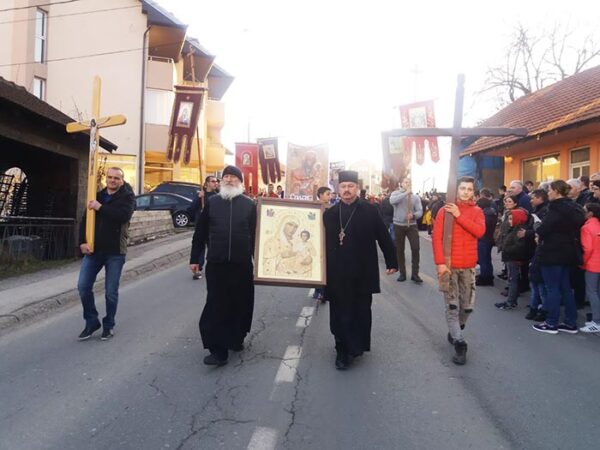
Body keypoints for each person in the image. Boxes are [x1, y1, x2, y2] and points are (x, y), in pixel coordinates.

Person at [323, 170, 397, 370]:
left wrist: (392, 261)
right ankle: (341, 349)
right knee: (339, 312)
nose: (347, 190)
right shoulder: (329, 214)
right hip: (337, 273)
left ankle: (356, 346)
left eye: (350, 186)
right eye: (343, 186)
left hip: (363, 271)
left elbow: (383, 235)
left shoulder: (370, 210)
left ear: (357, 188)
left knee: (361, 311)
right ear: (338, 189)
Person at [190, 165, 257, 365]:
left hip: (241, 264)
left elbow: (257, 236)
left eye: (233, 177)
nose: (229, 180)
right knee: (216, 305)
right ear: (221, 181)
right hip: (217, 263)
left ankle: (237, 337)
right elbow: (200, 233)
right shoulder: (212, 203)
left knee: (241, 303)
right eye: (226, 177)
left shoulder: (249, 205)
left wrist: (263, 263)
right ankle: (218, 350)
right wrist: (195, 259)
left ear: (240, 182)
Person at [77, 167, 135, 341]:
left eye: (116, 178)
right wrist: (82, 242)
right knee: (83, 286)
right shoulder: (97, 196)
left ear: (121, 180)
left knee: (110, 292)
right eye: (110, 177)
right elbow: (85, 220)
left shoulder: (127, 198)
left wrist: (100, 207)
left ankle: (108, 325)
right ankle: (91, 321)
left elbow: (122, 216)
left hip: (115, 252)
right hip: (94, 251)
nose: (112, 180)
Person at [432, 176, 485, 365]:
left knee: (467, 307)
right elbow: (437, 238)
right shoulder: (444, 211)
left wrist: (459, 215)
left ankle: (455, 330)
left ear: (473, 192)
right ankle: (460, 344)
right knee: (452, 306)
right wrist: (440, 263)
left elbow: (479, 232)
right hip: (449, 267)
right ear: (457, 190)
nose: (465, 192)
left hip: (469, 267)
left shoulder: (477, 211)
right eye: (462, 188)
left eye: (469, 189)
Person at [532, 180, 585, 334]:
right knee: (565, 288)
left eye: (549, 190)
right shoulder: (574, 207)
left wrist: (537, 226)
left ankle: (551, 323)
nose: (548, 193)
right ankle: (570, 322)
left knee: (552, 288)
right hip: (568, 251)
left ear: (556, 191)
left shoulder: (556, 208)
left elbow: (544, 228)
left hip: (552, 252)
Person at [495, 209, 535, 310]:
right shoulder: (514, 228)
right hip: (512, 257)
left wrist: (506, 249)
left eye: (511, 219)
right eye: (509, 219)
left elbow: (519, 246)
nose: (509, 221)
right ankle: (512, 300)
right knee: (512, 279)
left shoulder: (519, 230)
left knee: (513, 280)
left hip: (513, 258)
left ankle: (511, 301)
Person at [390, 177, 423, 283]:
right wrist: (405, 193)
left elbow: (420, 211)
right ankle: (402, 273)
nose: (408, 183)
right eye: (406, 182)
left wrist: (413, 215)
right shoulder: (395, 194)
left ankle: (415, 274)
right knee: (400, 250)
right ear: (401, 183)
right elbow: (392, 201)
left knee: (415, 248)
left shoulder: (415, 197)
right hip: (398, 225)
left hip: (412, 226)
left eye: (409, 182)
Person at [188, 175, 219, 280]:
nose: (215, 183)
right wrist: (198, 198)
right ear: (207, 183)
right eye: (213, 181)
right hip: (201, 226)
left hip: (213, 226)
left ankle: (213, 268)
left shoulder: (217, 196)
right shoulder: (201, 195)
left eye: (216, 181)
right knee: (199, 247)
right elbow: (191, 209)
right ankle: (198, 269)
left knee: (213, 248)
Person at [580, 203, 600, 332]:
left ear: (590, 213)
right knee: (597, 292)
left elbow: (587, 249)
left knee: (592, 292)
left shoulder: (586, 227)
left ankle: (597, 322)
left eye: (584, 210)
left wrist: (582, 262)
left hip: (592, 264)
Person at [475, 189, 497, 286]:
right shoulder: (491, 213)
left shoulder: (485, 215)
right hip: (488, 239)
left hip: (483, 239)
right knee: (487, 259)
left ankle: (485, 278)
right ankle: (488, 275)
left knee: (483, 260)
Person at [314, 186, 332, 302]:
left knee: (326, 267)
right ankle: (319, 291)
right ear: (320, 195)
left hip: (328, 241)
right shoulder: (314, 207)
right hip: (317, 240)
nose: (330, 196)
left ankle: (324, 292)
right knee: (318, 266)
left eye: (330, 194)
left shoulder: (331, 208)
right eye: (327, 194)